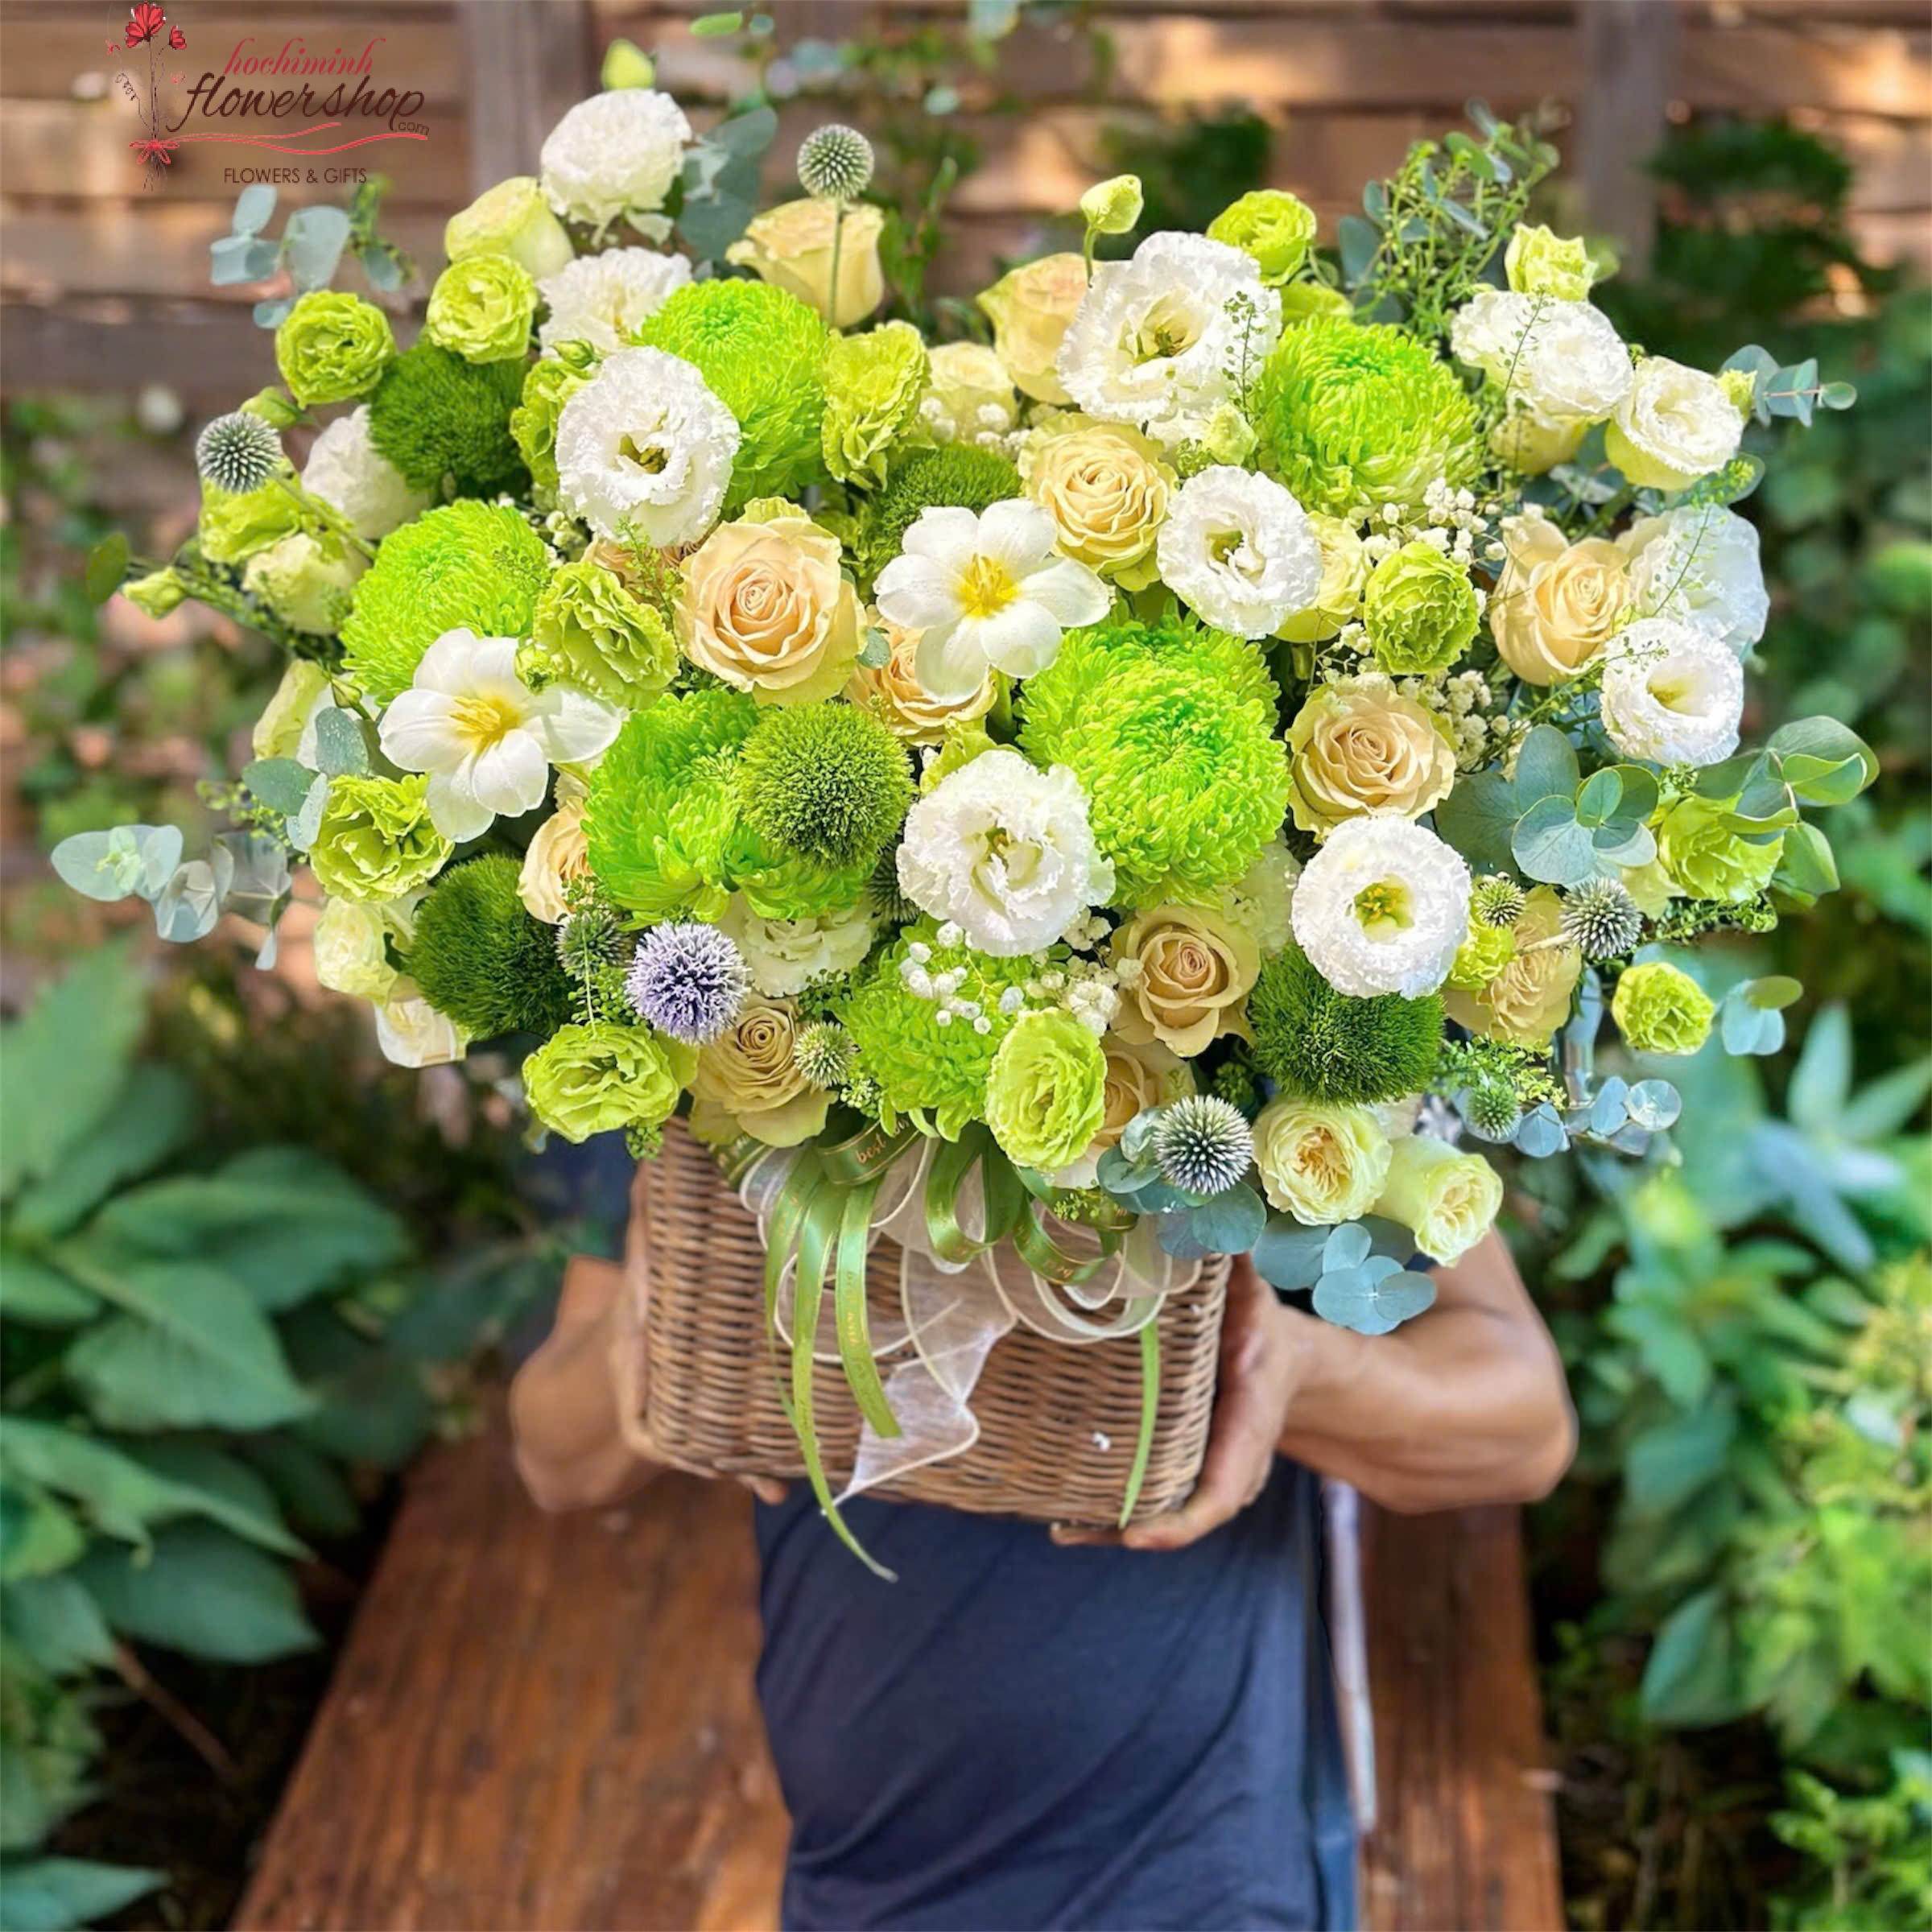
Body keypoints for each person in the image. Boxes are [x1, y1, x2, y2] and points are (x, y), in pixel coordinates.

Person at [510, 1162, 1574, 1932]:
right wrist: (665, 1326)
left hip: (1197, 1878)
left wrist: (1287, 1367)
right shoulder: (699, 1018)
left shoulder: (1292, 1019)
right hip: (861, 1879)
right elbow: (556, 1460)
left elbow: (1523, 1423)